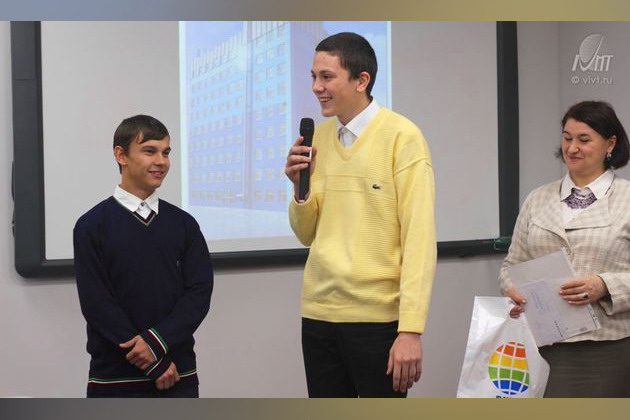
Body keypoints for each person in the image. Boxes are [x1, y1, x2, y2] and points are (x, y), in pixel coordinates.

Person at [284, 32, 436, 398]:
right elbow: (306, 234)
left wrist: (410, 330)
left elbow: (419, 238)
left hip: (377, 321)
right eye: (313, 76)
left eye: (327, 77)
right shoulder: (318, 139)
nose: (316, 87)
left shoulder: (403, 137)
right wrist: (299, 190)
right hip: (319, 314)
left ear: (361, 80)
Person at [73, 115, 213, 398]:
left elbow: (199, 292)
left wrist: (157, 343)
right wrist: (153, 362)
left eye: (166, 152)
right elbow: (97, 303)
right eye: (149, 151)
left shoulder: (184, 224)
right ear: (121, 155)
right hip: (115, 378)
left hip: (178, 374)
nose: (161, 161)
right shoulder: (91, 226)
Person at [500, 100, 630, 397]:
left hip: (608, 348)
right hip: (539, 343)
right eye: (567, 138)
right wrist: (512, 289)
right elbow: (511, 265)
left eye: (584, 139)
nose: (572, 148)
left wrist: (604, 285)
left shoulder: (627, 198)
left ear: (610, 144)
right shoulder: (537, 198)